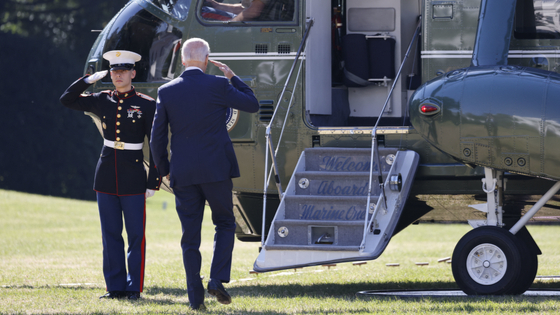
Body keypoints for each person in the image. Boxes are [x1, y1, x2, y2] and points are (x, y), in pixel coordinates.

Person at [150, 38, 259, 310]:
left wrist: (164, 170)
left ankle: (195, 300)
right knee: (224, 223)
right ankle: (217, 279)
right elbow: (252, 104)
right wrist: (233, 76)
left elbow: (156, 138)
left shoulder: (166, 90)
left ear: (183, 60)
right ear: (207, 59)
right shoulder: (219, 85)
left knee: (190, 237)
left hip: (183, 173)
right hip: (216, 170)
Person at [60, 50, 161, 300]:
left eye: (123, 71)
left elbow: (158, 145)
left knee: (136, 236)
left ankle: (133, 288)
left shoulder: (147, 104)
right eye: (114, 72)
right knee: (111, 235)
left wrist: (153, 182)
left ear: (133, 73)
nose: (118, 76)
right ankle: (115, 287)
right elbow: (67, 99)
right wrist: (88, 80)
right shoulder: (102, 99)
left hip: (134, 176)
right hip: (106, 175)